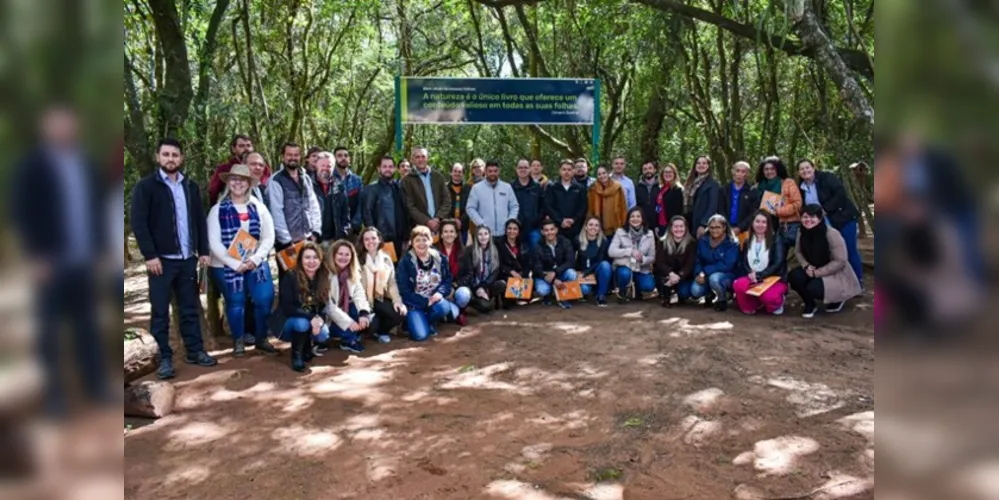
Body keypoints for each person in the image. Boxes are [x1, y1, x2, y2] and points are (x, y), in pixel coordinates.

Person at [11, 106, 110, 414]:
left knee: (87, 328)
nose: (63, 130)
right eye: (57, 124)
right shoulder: (32, 166)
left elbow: (97, 210)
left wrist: (101, 251)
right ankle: (54, 398)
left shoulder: (85, 164)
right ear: (45, 128)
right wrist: (34, 256)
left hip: (83, 262)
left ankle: (96, 388)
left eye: (68, 124)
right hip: (49, 265)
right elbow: (20, 213)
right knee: (49, 333)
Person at [130, 138, 216, 380]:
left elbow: (199, 220)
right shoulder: (146, 187)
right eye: (166, 154)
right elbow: (139, 223)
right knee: (159, 312)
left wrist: (204, 251)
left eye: (175, 155)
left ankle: (195, 350)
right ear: (158, 157)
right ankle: (163, 358)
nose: (170, 159)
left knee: (189, 308)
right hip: (161, 262)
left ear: (181, 158)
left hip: (188, 259)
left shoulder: (190, 187)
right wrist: (150, 255)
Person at [206, 164, 278, 357]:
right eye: (234, 179)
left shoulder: (258, 207)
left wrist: (255, 259)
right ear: (228, 182)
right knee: (235, 301)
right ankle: (238, 340)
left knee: (264, 298)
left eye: (242, 180)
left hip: (255, 263)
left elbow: (268, 237)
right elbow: (214, 242)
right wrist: (235, 264)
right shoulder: (217, 210)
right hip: (226, 266)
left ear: (249, 184)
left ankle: (261, 338)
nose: (238, 183)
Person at [797, 159, 863, 286]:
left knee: (849, 250)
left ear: (813, 167)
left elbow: (840, 194)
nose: (805, 171)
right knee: (832, 254)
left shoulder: (827, 177)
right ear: (799, 172)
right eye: (802, 169)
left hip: (843, 219)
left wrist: (825, 209)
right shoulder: (801, 187)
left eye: (807, 167)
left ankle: (858, 282)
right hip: (821, 225)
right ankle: (838, 284)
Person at [789, 204, 862, 319]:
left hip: (834, 272)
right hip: (812, 267)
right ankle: (810, 304)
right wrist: (806, 266)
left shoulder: (831, 234)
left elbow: (840, 261)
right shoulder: (801, 232)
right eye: (805, 217)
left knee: (813, 288)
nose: (808, 220)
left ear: (820, 218)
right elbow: (798, 252)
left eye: (812, 217)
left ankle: (838, 298)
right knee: (794, 277)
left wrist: (817, 273)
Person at [397, 225, 461, 341]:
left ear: (430, 241)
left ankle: (426, 320)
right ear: (412, 242)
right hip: (414, 304)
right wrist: (425, 302)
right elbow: (404, 291)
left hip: (434, 301)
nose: (421, 243)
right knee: (421, 336)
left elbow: (447, 279)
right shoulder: (405, 263)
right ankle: (411, 323)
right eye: (417, 240)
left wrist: (440, 293)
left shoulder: (440, 258)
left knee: (444, 306)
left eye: (424, 240)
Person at [278, 243, 328, 372]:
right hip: (287, 321)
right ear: (300, 259)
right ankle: (296, 355)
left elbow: (322, 305)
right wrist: (312, 318)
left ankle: (306, 346)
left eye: (315, 257)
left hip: (309, 318)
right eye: (307, 257)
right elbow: (287, 307)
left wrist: (319, 320)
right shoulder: (290, 276)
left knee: (323, 333)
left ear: (320, 260)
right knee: (302, 324)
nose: (311, 261)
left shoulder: (322, 277)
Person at [268, 143, 323, 256]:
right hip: (288, 244)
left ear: (300, 157)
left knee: (309, 272)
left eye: (296, 155)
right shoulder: (276, 180)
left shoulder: (305, 178)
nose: (293, 158)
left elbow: (313, 205)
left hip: (308, 239)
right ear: (283, 156)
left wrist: (316, 232)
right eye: (289, 155)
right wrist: (286, 241)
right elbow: (276, 212)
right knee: (289, 274)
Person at [732, 211, 788, 316]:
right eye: (757, 221)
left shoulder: (776, 239)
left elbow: (778, 263)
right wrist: (751, 273)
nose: (760, 225)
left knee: (768, 296)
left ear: (768, 224)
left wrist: (760, 275)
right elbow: (744, 261)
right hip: (753, 276)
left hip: (773, 278)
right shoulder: (747, 240)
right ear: (752, 223)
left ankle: (778, 302)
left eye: (764, 222)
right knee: (738, 284)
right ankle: (755, 304)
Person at [358, 227, 408, 344]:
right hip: (364, 301)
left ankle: (382, 331)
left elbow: (391, 282)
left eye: (373, 238)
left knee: (399, 314)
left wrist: (397, 301)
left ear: (379, 239)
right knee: (372, 324)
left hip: (380, 297)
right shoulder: (358, 260)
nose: (370, 241)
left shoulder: (386, 257)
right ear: (362, 242)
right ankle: (368, 330)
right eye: (367, 239)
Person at [323, 240, 372, 354]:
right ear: (333, 255)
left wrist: (363, 313)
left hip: (344, 309)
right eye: (340, 254)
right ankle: (346, 338)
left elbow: (359, 294)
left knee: (367, 319)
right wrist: (348, 322)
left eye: (347, 254)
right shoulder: (325, 273)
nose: (343, 258)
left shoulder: (352, 272)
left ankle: (348, 338)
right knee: (346, 330)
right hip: (328, 315)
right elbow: (328, 306)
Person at [690, 214, 739, 312]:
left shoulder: (732, 243)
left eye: (718, 227)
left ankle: (722, 300)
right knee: (695, 291)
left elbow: (727, 265)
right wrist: (698, 273)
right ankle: (710, 294)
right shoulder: (703, 240)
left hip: (726, 275)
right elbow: (698, 259)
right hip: (705, 274)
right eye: (712, 227)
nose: (714, 230)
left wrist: (705, 272)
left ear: (724, 227)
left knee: (714, 279)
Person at [362, 156, 410, 257]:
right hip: (383, 239)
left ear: (395, 169)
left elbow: (405, 212)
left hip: (401, 239)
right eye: (385, 166)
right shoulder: (371, 189)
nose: (388, 169)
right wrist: (374, 238)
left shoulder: (399, 187)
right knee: (385, 269)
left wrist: (407, 235)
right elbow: (367, 214)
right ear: (379, 168)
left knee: (399, 269)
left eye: (390, 166)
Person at [608, 208, 657, 303]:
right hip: (625, 266)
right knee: (624, 274)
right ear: (628, 219)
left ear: (642, 219)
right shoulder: (620, 232)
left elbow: (652, 257)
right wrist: (629, 251)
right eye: (632, 216)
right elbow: (611, 251)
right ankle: (622, 292)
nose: (635, 219)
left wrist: (643, 259)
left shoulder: (650, 234)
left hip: (641, 268)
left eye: (638, 216)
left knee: (649, 286)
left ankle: (638, 290)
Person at [401, 147, 452, 235]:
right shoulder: (407, 180)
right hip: (420, 228)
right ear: (412, 160)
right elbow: (409, 206)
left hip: (440, 225)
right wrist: (427, 221)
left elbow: (447, 200)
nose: (421, 159)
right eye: (417, 157)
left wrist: (438, 218)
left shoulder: (438, 176)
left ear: (427, 158)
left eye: (423, 156)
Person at [755, 156, 802, 250]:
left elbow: (797, 203)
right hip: (765, 226)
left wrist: (780, 211)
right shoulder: (758, 186)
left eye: (772, 169)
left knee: (783, 257)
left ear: (778, 169)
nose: (769, 171)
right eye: (766, 169)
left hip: (785, 225)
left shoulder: (788, 183)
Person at [456, 226, 505, 315]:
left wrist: (483, 287)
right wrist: (477, 288)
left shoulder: (494, 250)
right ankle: (475, 303)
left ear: (490, 235)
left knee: (502, 284)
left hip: (486, 285)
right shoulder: (470, 250)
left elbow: (495, 272)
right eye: (480, 234)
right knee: (485, 307)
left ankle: (487, 299)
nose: (483, 237)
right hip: (472, 285)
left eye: (486, 234)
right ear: (476, 236)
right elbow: (469, 274)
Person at [208, 134, 270, 205]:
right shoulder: (224, 169)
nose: (246, 149)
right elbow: (213, 191)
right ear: (234, 149)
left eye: (248, 145)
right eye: (241, 146)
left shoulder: (263, 168)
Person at [531, 219, 578, 309]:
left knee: (572, 274)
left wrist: (555, 272)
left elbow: (571, 261)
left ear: (556, 230)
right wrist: (553, 280)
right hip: (545, 275)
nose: (549, 232)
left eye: (552, 229)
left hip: (560, 272)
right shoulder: (537, 246)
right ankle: (548, 295)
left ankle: (564, 296)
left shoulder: (565, 242)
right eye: (546, 230)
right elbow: (537, 268)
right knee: (542, 290)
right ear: (542, 232)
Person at [467, 160, 520, 237]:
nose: (493, 173)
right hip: (485, 234)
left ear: (499, 171)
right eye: (490, 171)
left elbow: (514, 206)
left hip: (504, 233)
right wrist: (481, 223)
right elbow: (470, 208)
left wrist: (510, 221)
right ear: (485, 171)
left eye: (495, 171)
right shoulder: (476, 188)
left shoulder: (507, 187)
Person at [654, 216, 697, 308]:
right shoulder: (662, 242)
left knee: (684, 293)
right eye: (675, 226)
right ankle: (665, 296)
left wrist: (679, 276)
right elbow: (659, 262)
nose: (678, 229)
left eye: (681, 226)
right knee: (664, 281)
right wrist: (670, 274)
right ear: (670, 228)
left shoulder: (691, 243)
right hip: (666, 275)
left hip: (683, 276)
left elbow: (689, 265)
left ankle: (679, 293)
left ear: (686, 228)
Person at [545, 160, 589, 247]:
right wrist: (560, 220)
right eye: (564, 169)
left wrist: (574, 219)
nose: (566, 172)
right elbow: (548, 206)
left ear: (573, 171)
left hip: (575, 228)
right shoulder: (552, 187)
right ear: (560, 171)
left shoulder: (580, 188)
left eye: (569, 170)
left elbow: (583, 207)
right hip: (557, 228)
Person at [313, 152, 352, 243]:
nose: (325, 168)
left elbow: (346, 214)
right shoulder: (308, 185)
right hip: (314, 240)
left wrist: (343, 233)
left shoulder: (339, 187)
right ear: (316, 166)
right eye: (323, 165)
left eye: (329, 166)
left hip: (334, 240)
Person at [435, 220, 467, 325]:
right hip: (440, 290)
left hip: (457, 287)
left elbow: (469, 274)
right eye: (446, 232)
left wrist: (455, 286)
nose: (449, 234)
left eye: (452, 231)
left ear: (456, 234)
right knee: (452, 315)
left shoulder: (463, 251)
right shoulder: (433, 251)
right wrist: (445, 289)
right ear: (441, 235)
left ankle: (460, 310)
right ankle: (451, 311)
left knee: (464, 294)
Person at [496, 218, 532, 309]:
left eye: (515, 229)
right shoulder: (499, 244)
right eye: (509, 228)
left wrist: (523, 274)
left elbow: (527, 263)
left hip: (520, 275)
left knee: (527, 298)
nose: (512, 231)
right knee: (508, 305)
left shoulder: (523, 244)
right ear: (505, 230)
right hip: (505, 274)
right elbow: (498, 264)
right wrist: (511, 272)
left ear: (519, 231)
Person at [576, 217, 612, 307]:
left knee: (605, 265)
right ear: (585, 227)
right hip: (581, 274)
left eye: (596, 225)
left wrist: (586, 272)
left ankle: (601, 296)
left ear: (599, 228)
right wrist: (580, 274)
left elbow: (599, 261)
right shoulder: (577, 240)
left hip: (596, 271)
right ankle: (585, 292)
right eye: (591, 225)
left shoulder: (603, 241)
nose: (593, 227)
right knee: (585, 290)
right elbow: (573, 259)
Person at [684, 155, 721, 238]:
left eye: (704, 163)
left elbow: (712, 207)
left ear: (708, 166)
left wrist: (703, 224)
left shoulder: (713, 184)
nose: (701, 165)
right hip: (687, 222)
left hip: (700, 224)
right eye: (698, 163)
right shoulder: (690, 183)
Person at [512, 158, 545, 249]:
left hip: (534, 228)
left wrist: (538, 219)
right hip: (515, 229)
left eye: (525, 167)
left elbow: (543, 206)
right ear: (516, 169)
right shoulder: (510, 187)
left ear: (530, 169)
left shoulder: (537, 187)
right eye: (520, 167)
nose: (523, 170)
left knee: (536, 254)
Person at [588, 165, 628, 237]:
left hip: (615, 226)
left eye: (604, 173)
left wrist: (624, 224)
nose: (602, 176)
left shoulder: (617, 187)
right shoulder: (593, 188)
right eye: (599, 174)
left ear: (608, 173)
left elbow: (623, 207)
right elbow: (590, 208)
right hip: (597, 227)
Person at [332, 146, 364, 235]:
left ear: (349, 159)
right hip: (333, 231)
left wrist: (355, 225)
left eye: (346, 156)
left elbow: (361, 204)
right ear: (334, 159)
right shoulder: (329, 179)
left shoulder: (357, 180)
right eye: (339, 156)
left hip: (353, 230)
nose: (343, 158)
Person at [720, 161, 758, 237]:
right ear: (733, 172)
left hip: (744, 231)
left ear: (747, 174)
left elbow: (753, 213)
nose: (739, 174)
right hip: (724, 229)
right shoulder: (724, 189)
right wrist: (727, 226)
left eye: (743, 171)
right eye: (737, 171)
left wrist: (740, 228)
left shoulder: (752, 191)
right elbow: (720, 209)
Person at [656, 163, 685, 237]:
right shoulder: (662, 188)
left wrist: (674, 226)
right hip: (661, 223)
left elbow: (678, 211)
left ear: (674, 174)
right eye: (665, 172)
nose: (667, 174)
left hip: (671, 225)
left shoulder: (677, 189)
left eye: (670, 172)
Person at [447, 162, 472, 242]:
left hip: (463, 226)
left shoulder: (468, 188)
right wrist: (452, 220)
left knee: (462, 251)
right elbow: (442, 205)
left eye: (460, 172)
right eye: (455, 171)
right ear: (451, 172)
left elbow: (470, 206)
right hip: (448, 225)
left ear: (463, 174)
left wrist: (460, 220)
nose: (457, 173)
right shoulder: (445, 188)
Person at [634, 159, 660, 232]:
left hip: (656, 226)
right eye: (645, 169)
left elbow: (661, 207)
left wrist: (658, 224)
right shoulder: (637, 188)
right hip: (640, 225)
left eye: (650, 168)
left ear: (655, 170)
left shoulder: (660, 187)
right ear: (642, 171)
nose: (648, 171)